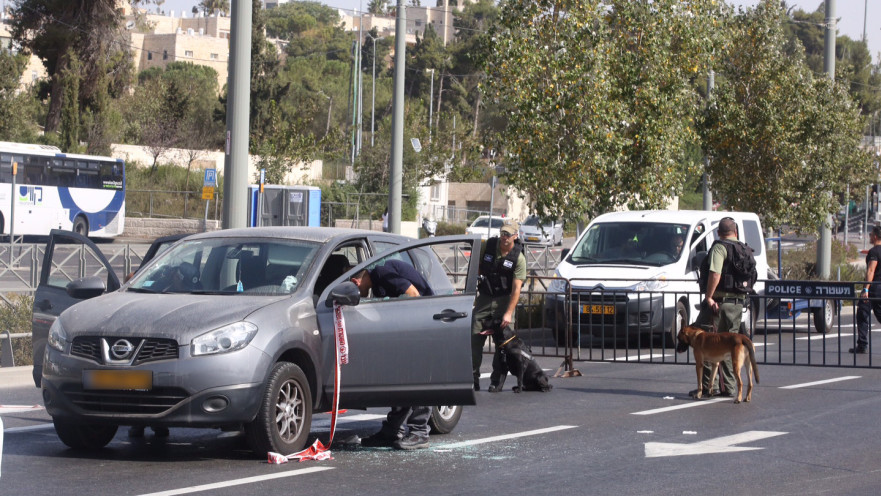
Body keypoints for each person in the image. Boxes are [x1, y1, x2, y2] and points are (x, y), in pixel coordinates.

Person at [351, 259, 434, 450]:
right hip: (411, 327)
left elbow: (413, 295)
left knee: (418, 377)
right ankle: (391, 431)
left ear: (356, 282)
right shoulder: (379, 283)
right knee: (401, 379)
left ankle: (420, 432)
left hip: (421, 324)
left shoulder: (381, 273)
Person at [691, 217, 753, 398]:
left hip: (719, 304)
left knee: (708, 342)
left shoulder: (720, 247)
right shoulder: (744, 248)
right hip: (737, 304)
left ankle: (709, 387)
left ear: (719, 233)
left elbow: (715, 273)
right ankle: (730, 387)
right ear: (736, 232)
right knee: (730, 345)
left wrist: (708, 297)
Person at [471, 220, 527, 391]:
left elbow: (516, 289)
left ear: (515, 236)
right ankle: (473, 377)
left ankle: (497, 380)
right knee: (474, 337)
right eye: (503, 233)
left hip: (504, 301)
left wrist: (508, 313)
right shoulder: (488, 246)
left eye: (508, 235)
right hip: (484, 298)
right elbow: (477, 268)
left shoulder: (519, 258)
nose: (504, 237)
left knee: (503, 345)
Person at [853, 225, 881, 354]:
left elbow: (871, 271)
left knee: (862, 314)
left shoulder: (874, 252)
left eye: (870, 234)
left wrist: (865, 290)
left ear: (875, 236)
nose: (869, 236)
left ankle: (862, 345)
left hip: (874, 288)